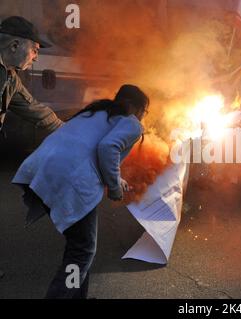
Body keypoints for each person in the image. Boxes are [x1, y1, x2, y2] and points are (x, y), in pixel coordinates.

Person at [12, 84, 149, 298]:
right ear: (133, 106)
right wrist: (114, 189)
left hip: (43, 170)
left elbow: (86, 148)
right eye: (144, 110)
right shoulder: (131, 123)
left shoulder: (95, 112)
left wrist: (116, 179)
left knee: (79, 246)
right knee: (82, 251)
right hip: (72, 181)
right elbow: (107, 148)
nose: (143, 116)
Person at [1, 16, 63, 280]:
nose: (36, 57)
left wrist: (71, 134)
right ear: (15, 45)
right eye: (35, 49)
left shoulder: (11, 78)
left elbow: (38, 111)